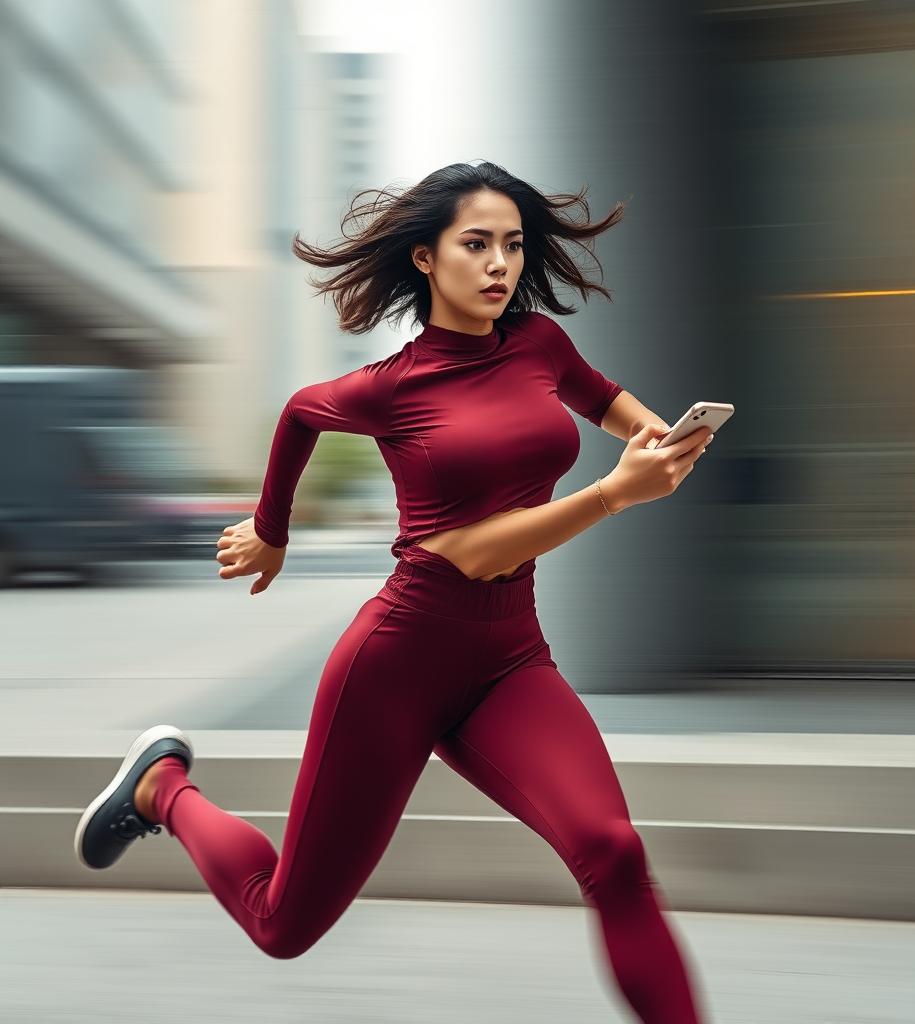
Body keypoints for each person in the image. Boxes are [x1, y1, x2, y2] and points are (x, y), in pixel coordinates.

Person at [74, 160, 714, 1023]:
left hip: (509, 659)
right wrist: (272, 529)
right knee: (280, 923)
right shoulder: (396, 390)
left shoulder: (538, 347)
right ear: (426, 258)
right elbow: (423, 513)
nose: (500, 265)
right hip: (397, 666)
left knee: (614, 851)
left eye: (514, 247)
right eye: (476, 244)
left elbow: (604, 404)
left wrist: (660, 440)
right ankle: (163, 789)